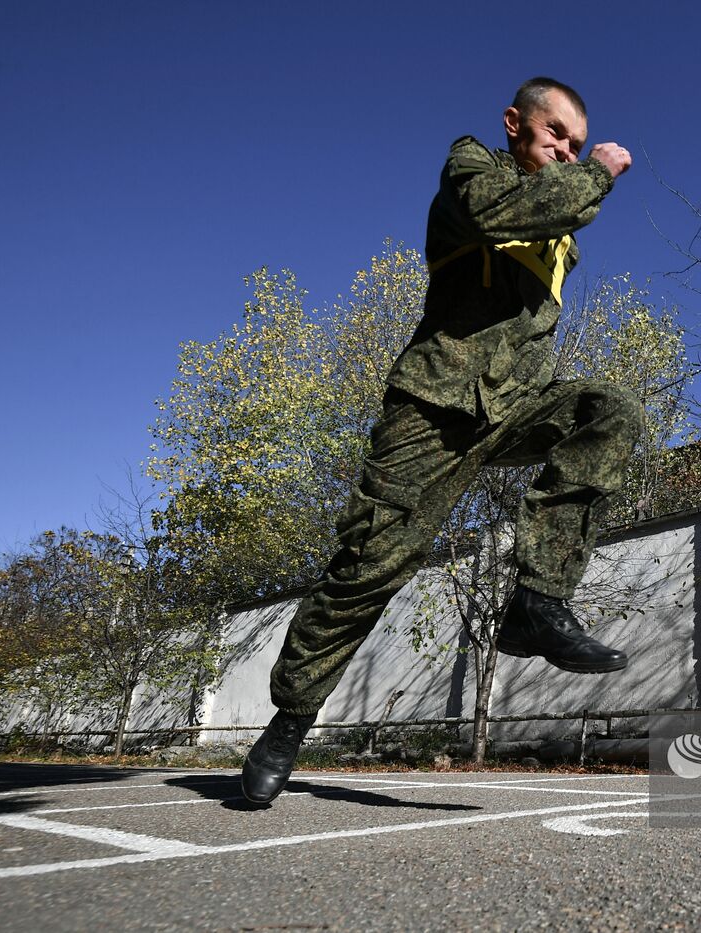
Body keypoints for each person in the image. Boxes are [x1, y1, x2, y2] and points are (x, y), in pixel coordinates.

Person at [242, 77, 643, 804]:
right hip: (433, 409)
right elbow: (506, 212)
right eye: (555, 134)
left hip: (512, 409)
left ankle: (538, 602)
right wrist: (598, 172)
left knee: (610, 411)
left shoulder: (563, 240)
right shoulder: (473, 172)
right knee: (370, 562)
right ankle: (289, 721)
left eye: (578, 145)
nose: (564, 151)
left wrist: (581, 184)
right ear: (514, 124)